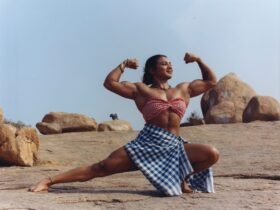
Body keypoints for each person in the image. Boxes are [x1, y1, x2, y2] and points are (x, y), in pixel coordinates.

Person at [29, 52, 219, 196]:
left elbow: (211, 81)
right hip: (148, 144)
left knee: (211, 153)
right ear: (152, 70)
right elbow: (110, 83)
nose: (169, 66)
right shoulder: (140, 89)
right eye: (164, 64)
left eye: (170, 64)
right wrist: (124, 64)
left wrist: (198, 60)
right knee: (101, 167)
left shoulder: (184, 89)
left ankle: (182, 179)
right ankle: (48, 181)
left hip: (174, 146)